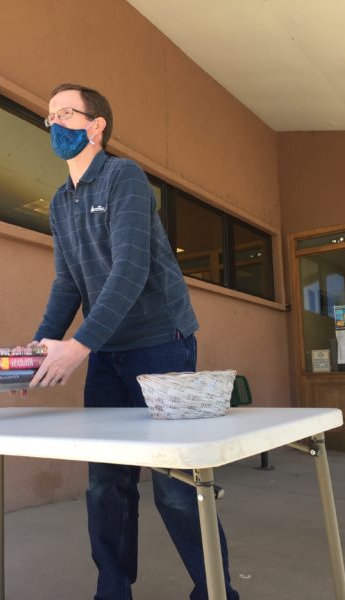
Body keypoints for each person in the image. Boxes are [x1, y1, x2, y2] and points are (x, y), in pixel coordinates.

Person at [29, 83, 239, 600]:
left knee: (174, 483)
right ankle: (113, 590)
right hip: (106, 352)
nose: (56, 124)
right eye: (50, 115)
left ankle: (215, 591)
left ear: (96, 125)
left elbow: (131, 267)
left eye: (67, 114)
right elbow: (68, 283)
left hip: (159, 344)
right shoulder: (60, 202)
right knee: (107, 484)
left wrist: (78, 346)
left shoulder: (124, 177)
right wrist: (36, 348)